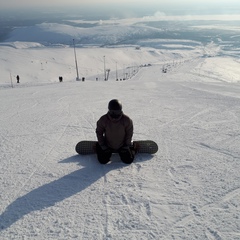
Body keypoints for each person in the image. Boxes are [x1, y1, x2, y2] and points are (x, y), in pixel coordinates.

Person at [96, 99, 135, 164]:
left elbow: (129, 133)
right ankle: (98, 146)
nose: (114, 114)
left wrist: (126, 145)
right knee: (102, 160)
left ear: (120, 110)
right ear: (109, 110)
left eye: (116, 112)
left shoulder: (126, 120)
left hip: (122, 145)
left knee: (128, 160)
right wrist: (103, 145)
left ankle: (133, 147)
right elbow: (99, 132)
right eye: (112, 112)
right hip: (108, 145)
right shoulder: (103, 119)